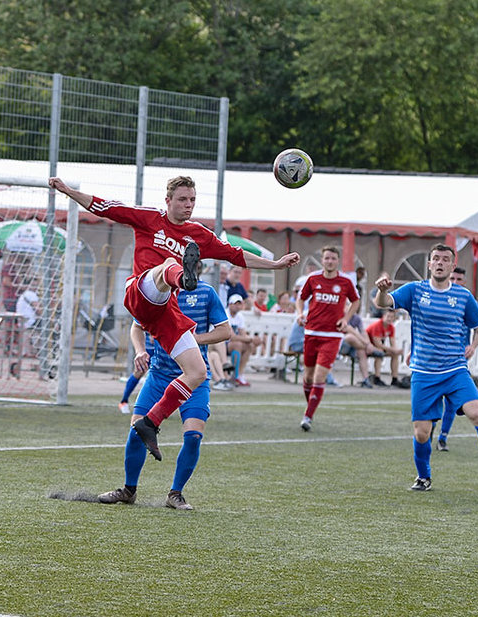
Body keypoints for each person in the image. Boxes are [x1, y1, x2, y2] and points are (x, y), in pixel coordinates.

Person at [49, 175, 298, 461]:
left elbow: (235, 255)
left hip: (166, 311)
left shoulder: (198, 234)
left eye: (192, 200)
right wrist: (69, 192)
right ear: (168, 201)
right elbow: (106, 207)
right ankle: (182, 277)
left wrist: (276, 265)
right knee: (168, 263)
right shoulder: (150, 218)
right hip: (140, 292)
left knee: (198, 372)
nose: (188, 205)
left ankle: (150, 422)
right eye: (182, 199)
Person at [373, 243, 478, 493]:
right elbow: (383, 303)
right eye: (436, 259)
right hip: (424, 373)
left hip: (455, 370)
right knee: (422, 433)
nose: (440, 263)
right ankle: (423, 477)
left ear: (452, 266)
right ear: (429, 264)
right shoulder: (414, 290)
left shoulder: (462, 296)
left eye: (445, 259)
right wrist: (382, 291)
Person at [97, 281, 232, 510]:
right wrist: (140, 351)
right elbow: (136, 327)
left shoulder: (206, 292)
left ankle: (175, 494)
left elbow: (225, 331)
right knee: (137, 429)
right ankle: (129, 490)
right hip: (159, 376)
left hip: (195, 378)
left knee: (193, 436)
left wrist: (188, 341)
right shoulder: (157, 292)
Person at [296, 245, 359, 431]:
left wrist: (346, 319)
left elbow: (356, 300)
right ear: (322, 260)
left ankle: (308, 416)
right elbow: (301, 298)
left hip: (332, 335)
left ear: (337, 261)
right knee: (307, 377)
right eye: (326, 258)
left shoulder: (345, 282)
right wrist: (300, 314)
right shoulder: (313, 279)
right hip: (311, 332)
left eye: (333, 258)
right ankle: (311, 408)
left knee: (319, 375)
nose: (329, 261)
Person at [434, 265, 478, 452]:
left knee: (452, 402)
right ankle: (428, 433)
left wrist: (473, 346)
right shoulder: (437, 298)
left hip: (458, 358)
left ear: (464, 281)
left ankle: (443, 437)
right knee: (434, 399)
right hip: (435, 357)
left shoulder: (466, 300)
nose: (455, 282)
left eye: (459, 279)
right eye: (452, 279)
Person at [226, 294, 263, 386]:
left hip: (232, 343)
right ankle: (235, 375)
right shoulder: (225, 314)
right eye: (235, 304)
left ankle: (239, 374)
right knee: (238, 344)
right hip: (222, 343)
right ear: (230, 304)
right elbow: (231, 336)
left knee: (248, 345)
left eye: (239, 304)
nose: (237, 306)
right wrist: (251, 339)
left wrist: (251, 340)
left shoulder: (240, 316)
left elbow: (243, 333)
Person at [365, 308, 404, 387]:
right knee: (379, 352)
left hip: (379, 347)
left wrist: (395, 350)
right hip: (368, 347)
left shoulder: (391, 328)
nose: (389, 319)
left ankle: (394, 378)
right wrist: (393, 349)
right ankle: (377, 377)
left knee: (395, 354)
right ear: (383, 316)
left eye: (391, 317)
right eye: (388, 316)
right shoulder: (377, 325)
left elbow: (392, 343)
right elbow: (378, 344)